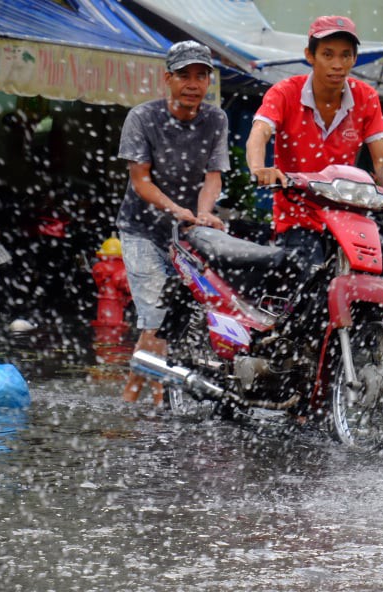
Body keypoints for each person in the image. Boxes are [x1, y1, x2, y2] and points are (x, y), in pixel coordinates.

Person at [246, 14, 383, 285]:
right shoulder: (284, 92)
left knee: (377, 280)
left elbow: (382, 162)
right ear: (309, 56)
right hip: (298, 216)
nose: (338, 65)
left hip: (348, 217)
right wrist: (259, 168)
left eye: (346, 56)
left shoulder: (366, 97)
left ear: (355, 59)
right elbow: (259, 134)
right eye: (328, 54)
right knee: (309, 290)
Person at [115, 41, 230, 405]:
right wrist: (176, 209)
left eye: (201, 75)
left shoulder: (216, 119)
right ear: (168, 78)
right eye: (184, 75)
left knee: (174, 318)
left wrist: (204, 211)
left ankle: (143, 395)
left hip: (190, 234)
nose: (193, 83)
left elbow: (214, 176)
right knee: (157, 315)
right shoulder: (142, 117)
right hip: (142, 229)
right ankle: (143, 397)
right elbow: (141, 180)